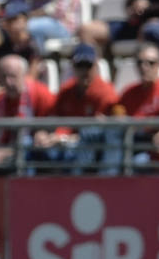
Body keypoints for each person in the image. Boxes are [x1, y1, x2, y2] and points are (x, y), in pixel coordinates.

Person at [31, 42, 121, 173]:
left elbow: (98, 133)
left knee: (75, 153)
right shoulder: (66, 91)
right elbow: (54, 119)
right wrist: (44, 134)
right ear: (73, 67)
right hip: (63, 144)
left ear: (96, 66)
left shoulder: (106, 93)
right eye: (80, 66)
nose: (84, 71)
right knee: (35, 148)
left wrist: (63, 138)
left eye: (88, 66)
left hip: (90, 149)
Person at [0, 52, 55, 168]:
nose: (8, 82)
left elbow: (57, 124)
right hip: (5, 155)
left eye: (13, 76)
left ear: (24, 75)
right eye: (3, 76)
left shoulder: (41, 94)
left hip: (36, 153)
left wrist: (44, 132)